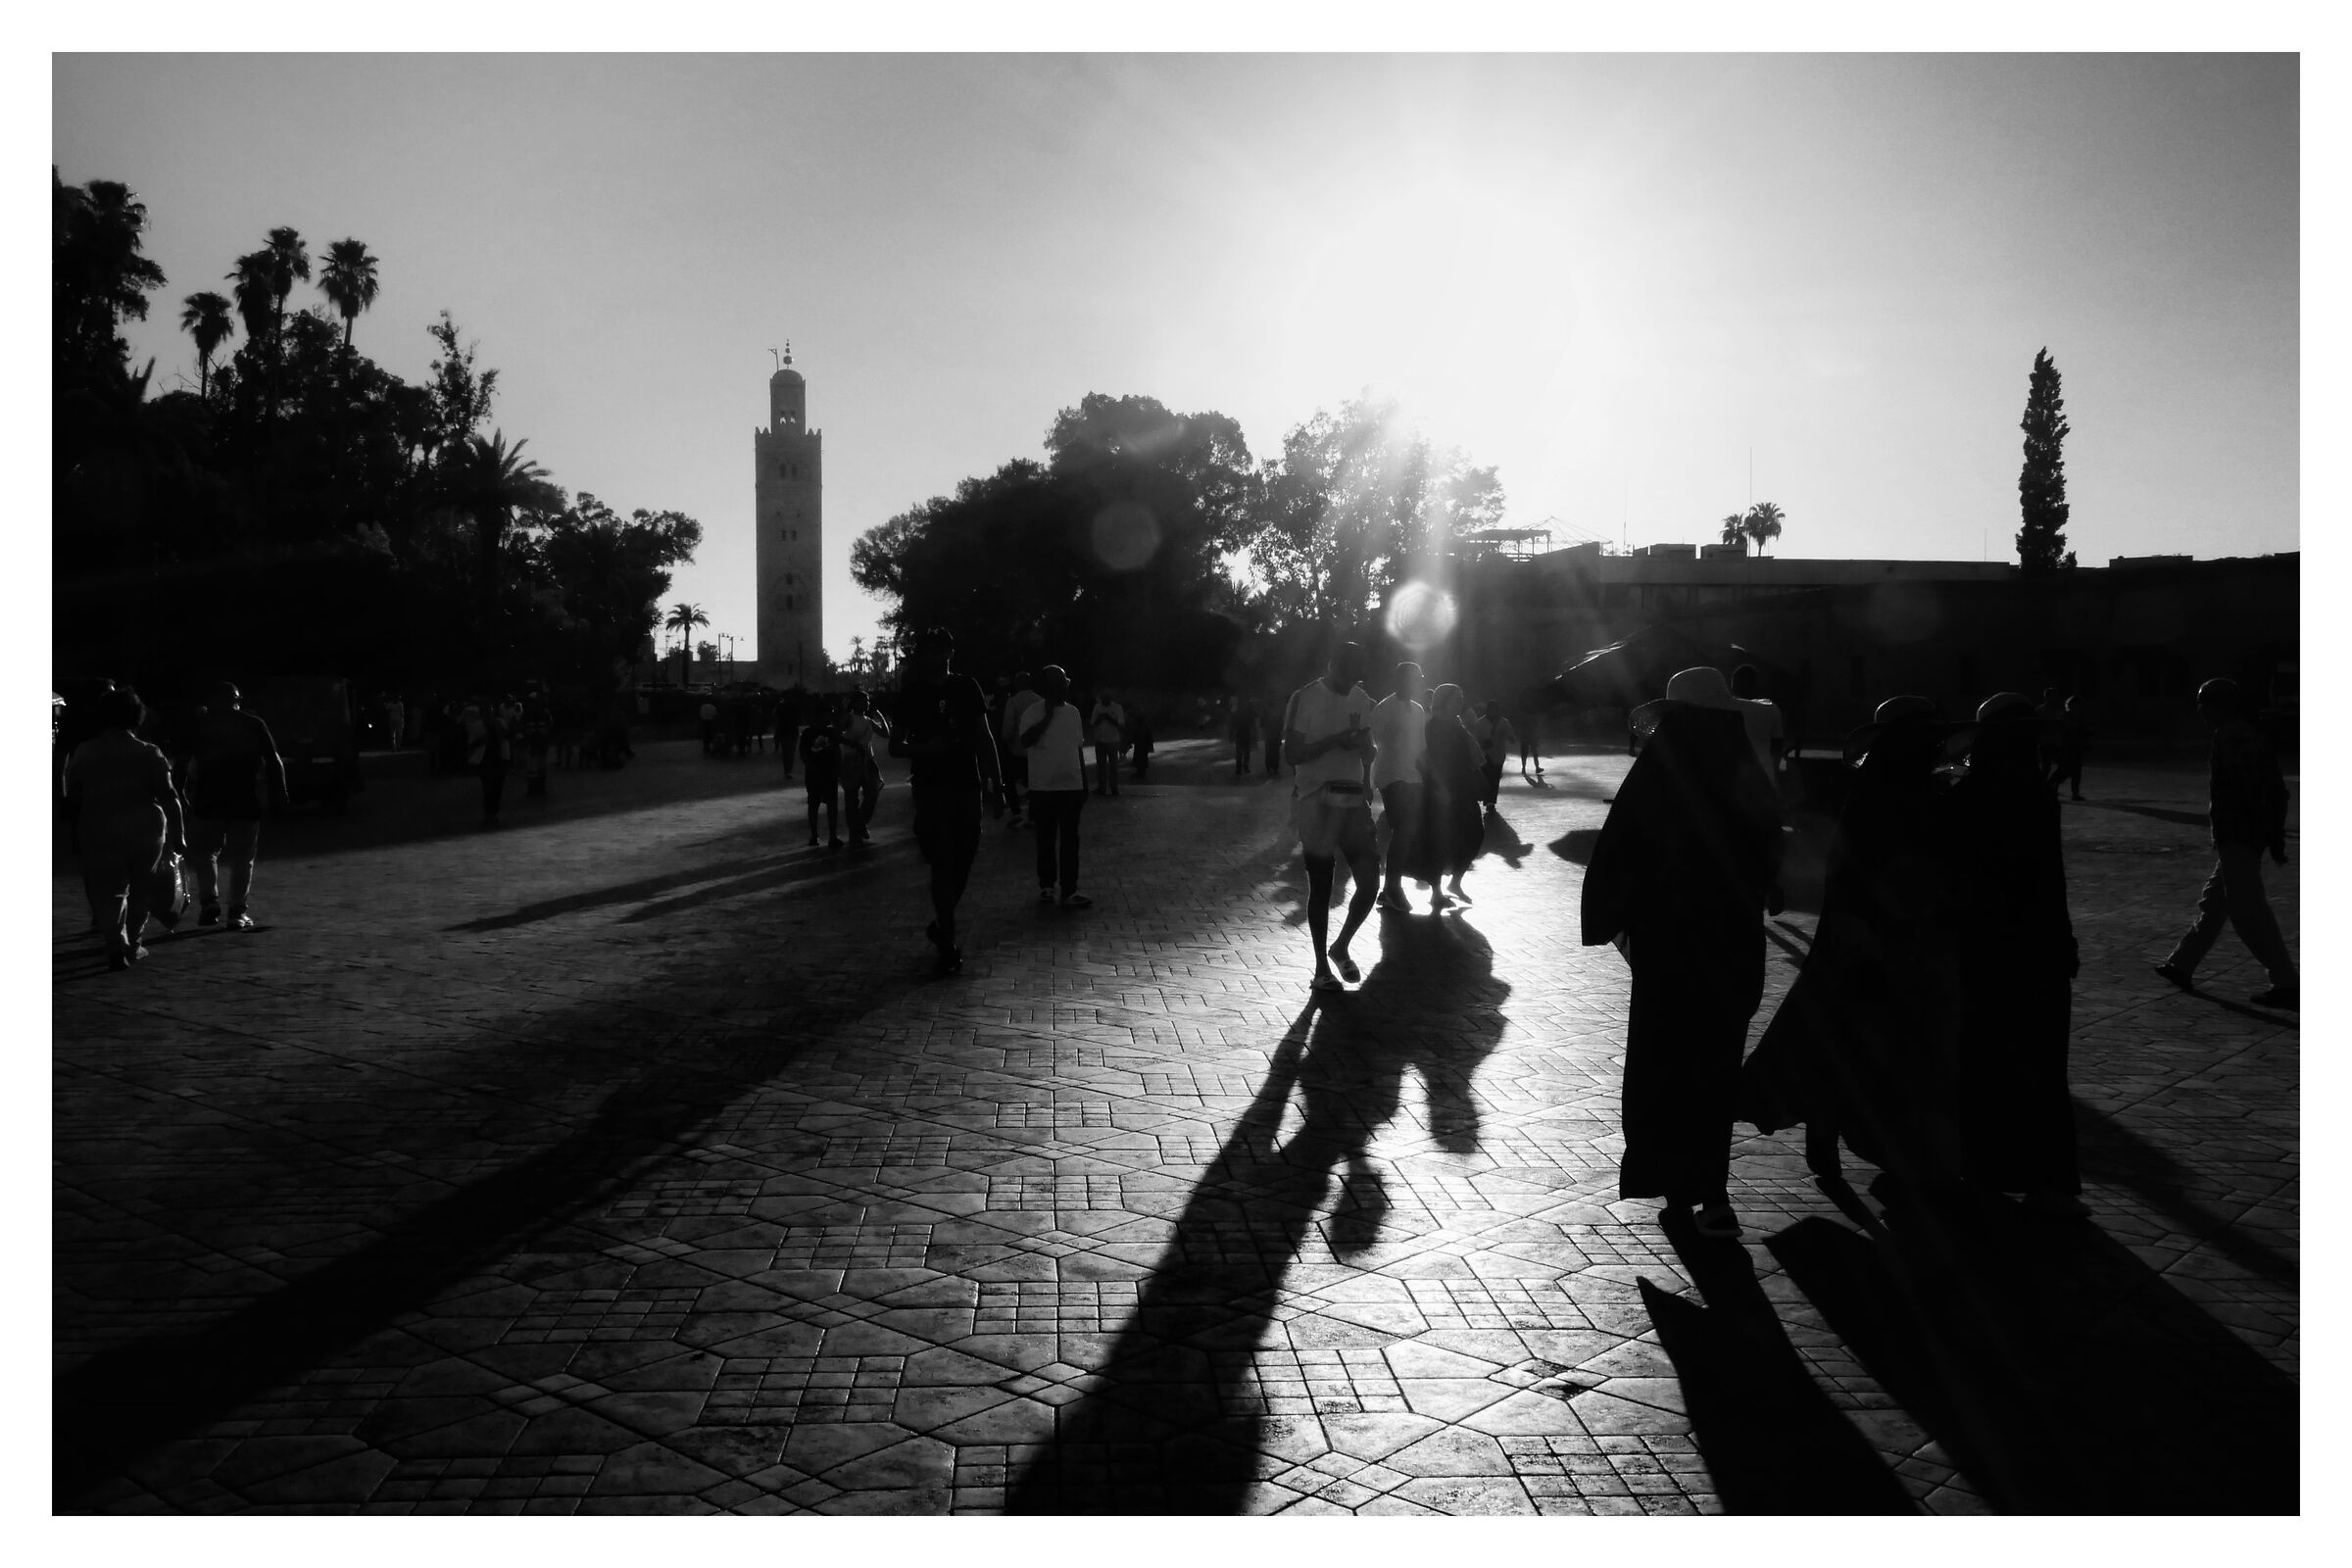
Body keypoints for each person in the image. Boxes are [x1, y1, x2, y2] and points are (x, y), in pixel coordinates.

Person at [1581, 666, 1784, 1240]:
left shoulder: (1656, 776)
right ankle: (1713, 1195)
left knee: (1664, 1066)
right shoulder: (1743, 770)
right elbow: (1768, 851)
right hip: (1730, 950)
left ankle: (1676, 1186)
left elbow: (1616, 857)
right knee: (1714, 1070)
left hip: (1668, 953)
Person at [1740, 696, 1957, 1189]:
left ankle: (1835, 1125)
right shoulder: (1901, 793)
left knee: (1851, 1036)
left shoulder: (1881, 788)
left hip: (1868, 935)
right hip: (1878, 937)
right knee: (1863, 1038)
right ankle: (1839, 1126)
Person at [1946, 693, 2086, 1214]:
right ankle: (2048, 1181)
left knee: (1983, 1059)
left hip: (1980, 943)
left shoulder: (1966, 794)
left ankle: (1983, 1168)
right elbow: (2049, 880)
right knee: (2042, 1065)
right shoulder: (2034, 793)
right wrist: (2064, 938)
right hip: (2034, 944)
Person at [2155, 678, 2297, 1008]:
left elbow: (2249, 791)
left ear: (2219, 707)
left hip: (2239, 834)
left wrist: (2262, 834)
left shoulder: (2233, 738)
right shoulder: (2242, 735)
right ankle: (2182, 963)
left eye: (2204, 706)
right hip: (2242, 834)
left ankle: (2286, 981)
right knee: (2216, 900)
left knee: (2248, 912)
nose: (2201, 713)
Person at [892, 627, 1004, 975]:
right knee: (942, 863)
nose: (936, 655)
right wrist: (926, 749)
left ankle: (942, 924)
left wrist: (997, 784)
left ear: (950, 652)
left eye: (941, 649)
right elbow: (896, 745)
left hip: (967, 785)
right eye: (929, 650)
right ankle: (949, 943)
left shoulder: (966, 687)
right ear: (922, 654)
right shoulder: (912, 693)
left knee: (965, 858)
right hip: (930, 788)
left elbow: (983, 737)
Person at [64, 685, 187, 970]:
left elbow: (74, 796)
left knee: (110, 891)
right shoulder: (149, 752)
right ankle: (135, 943)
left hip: (99, 827)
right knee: (141, 888)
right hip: (146, 829)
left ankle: (115, 944)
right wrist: (179, 833)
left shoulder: (85, 751)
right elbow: (169, 795)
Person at [1283, 640, 1381, 992]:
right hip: (1316, 801)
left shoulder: (1362, 699)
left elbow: (1369, 749)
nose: (1351, 681)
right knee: (1322, 887)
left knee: (1370, 884)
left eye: (1357, 675)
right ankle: (1321, 967)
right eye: (1346, 673)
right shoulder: (1304, 697)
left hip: (1353, 801)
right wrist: (1335, 741)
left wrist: (1365, 750)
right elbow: (1292, 754)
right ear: (1331, 665)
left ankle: (1341, 946)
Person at [180, 681, 287, 930]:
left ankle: (209, 901)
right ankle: (237, 911)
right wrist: (280, 792)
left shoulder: (201, 726)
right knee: (243, 857)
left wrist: (179, 792)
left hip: (208, 798)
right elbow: (273, 760)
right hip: (244, 798)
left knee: (206, 852)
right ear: (237, 701)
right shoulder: (253, 724)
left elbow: (183, 763)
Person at [1019, 664, 1092, 907]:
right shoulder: (1032, 712)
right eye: (1060, 682)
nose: (1064, 686)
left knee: (1070, 841)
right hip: (1043, 788)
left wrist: (1084, 781)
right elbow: (1026, 741)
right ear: (1050, 686)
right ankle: (1047, 886)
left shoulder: (1073, 712)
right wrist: (1047, 717)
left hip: (1071, 787)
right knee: (1045, 840)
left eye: (1064, 682)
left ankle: (1069, 890)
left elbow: (1078, 749)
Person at [1413, 684, 1488, 908]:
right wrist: (1439, 786)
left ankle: (1455, 881)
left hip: (1462, 787)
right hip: (1441, 792)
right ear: (1445, 700)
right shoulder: (1433, 726)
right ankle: (1436, 891)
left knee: (1474, 834)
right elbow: (1425, 759)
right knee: (1440, 840)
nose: (1461, 701)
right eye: (1457, 697)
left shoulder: (1456, 723)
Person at [1369, 662, 1428, 914]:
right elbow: (1375, 740)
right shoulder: (1385, 708)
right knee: (1403, 828)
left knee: (1407, 830)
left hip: (1413, 775)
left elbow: (1421, 746)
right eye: (1414, 678)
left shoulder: (1418, 709)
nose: (1417, 683)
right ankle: (1392, 887)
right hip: (1391, 774)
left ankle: (1391, 887)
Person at [839, 688, 889, 846]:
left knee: (872, 794)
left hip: (867, 760)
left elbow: (885, 733)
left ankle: (860, 824)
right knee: (852, 798)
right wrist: (853, 744)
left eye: (867, 701)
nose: (867, 703)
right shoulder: (849, 718)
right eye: (864, 701)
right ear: (855, 703)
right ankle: (855, 831)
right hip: (851, 761)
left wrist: (879, 716)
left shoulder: (868, 720)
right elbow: (837, 733)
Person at [1729, 663, 1786, 786]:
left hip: (1733, 779)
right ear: (1756, 686)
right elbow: (1777, 747)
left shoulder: (1726, 708)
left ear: (1732, 686)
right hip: (1764, 777)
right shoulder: (1771, 709)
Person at [800, 695, 844, 847]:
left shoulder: (809, 733)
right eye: (829, 714)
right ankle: (831, 836)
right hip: (825, 773)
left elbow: (804, 754)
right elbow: (837, 752)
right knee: (830, 805)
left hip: (817, 774)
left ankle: (815, 836)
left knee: (814, 805)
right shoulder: (828, 733)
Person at [1000, 671, 1040, 828]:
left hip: (1017, 749)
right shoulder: (1040, 700)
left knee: (1009, 780)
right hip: (1035, 751)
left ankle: (1016, 812)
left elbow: (1008, 728)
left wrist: (1005, 742)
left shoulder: (1013, 701)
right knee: (1035, 783)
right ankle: (1033, 815)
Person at [466, 697, 513, 828]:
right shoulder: (477, 726)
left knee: (498, 787)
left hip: (499, 759)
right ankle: (490, 814)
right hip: (485, 760)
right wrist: (482, 739)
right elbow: (471, 744)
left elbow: (508, 736)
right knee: (488, 788)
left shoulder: (500, 723)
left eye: (490, 711)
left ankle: (494, 812)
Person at [1471, 701, 1517, 809]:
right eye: (1492, 710)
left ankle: (1491, 801)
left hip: (1498, 755)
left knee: (1495, 778)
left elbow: (1511, 736)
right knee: (1487, 778)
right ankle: (1487, 799)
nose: (1494, 712)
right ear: (1488, 710)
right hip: (1484, 755)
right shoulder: (1480, 723)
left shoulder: (1503, 722)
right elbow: (1474, 739)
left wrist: (1510, 737)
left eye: (1496, 710)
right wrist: (1483, 743)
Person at [1088, 690, 1126, 796]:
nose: (1104, 701)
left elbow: (1121, 724)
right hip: (1100, 740)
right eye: (1103, 699)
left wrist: (1108, 718)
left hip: (1113, 740)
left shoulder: (1117, 707)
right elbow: (1093, 722)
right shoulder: (1097, 707)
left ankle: (1114, 788)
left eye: (1106, 699)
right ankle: (1102, 788)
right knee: (1101, 766)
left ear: (1110, 699)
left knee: (1113, 766)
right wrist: (1100, 719)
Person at [2053, 697, 2091, 801]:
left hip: (2075, 747)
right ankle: (2054, 787)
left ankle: (2074, 793)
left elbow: (2083, 731)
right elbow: (2060, 733)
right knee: (2065, 770)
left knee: (2076, 771)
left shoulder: (2077, 717)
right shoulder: (2064, 717)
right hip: (2066, 747)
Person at [1231, 694, 1258, 776]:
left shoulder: (1239, 710)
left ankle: (1240, 768)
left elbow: (1233, 721)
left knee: (1242, 752)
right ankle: (1243, 767)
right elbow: (1252, 721)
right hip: (1243, 732)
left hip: (1242, 732)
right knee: (1244, 751)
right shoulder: (1247, 710)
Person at [1128, 705, 1154, 780]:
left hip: (1143, 740)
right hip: (1140, 740)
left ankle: (1141, 773)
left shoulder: (1142, 721)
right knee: (1139, 756)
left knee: (1142, 757)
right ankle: (1139, 772)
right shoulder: (1139, 721)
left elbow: (1146, 732)